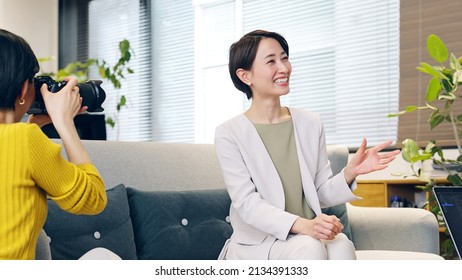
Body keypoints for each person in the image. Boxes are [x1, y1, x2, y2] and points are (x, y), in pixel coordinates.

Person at [214, 30, 400, 260]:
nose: (283, 68)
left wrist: (351, 172)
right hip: (259, 244)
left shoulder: (310, 122)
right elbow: (247, 204)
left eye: (284, 58)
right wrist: (305, 226)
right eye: (271, 61)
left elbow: (318, 192)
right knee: (310, 247)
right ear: (245, 76)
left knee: (342, 245)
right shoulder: (230, 133)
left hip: (305, 234)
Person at [0, 29, 119, 260]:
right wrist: (64, 122)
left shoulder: (25, 137)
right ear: (24, 89)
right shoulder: (24, 140)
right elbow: (93, 199)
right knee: (103, 258)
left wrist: (34, 126)